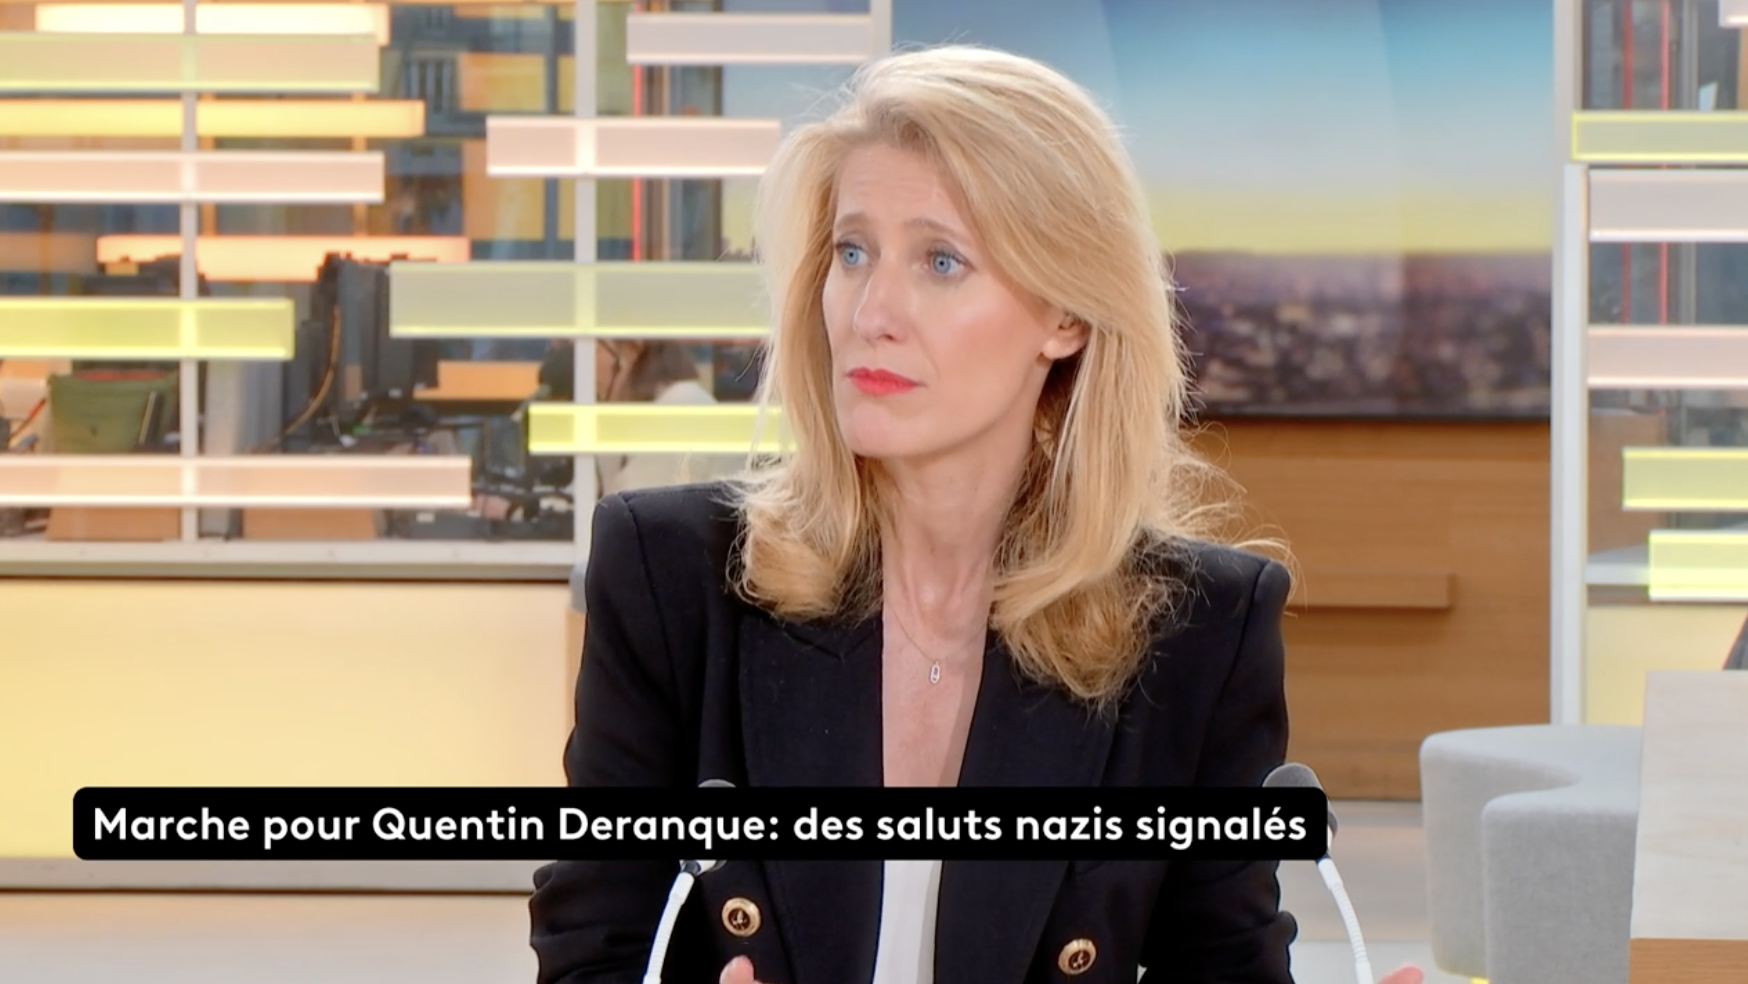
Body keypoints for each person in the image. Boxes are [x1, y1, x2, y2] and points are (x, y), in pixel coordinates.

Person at [529, 44, 1424, 984]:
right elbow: (593, 953)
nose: (872, 311)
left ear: (1065, 317)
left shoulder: (1200, 629)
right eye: (852, 252)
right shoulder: (669, 581)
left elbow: (1224, 970)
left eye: (941, 261)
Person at [593, 338, 747, 496]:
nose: (588, 367)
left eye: (596, 350)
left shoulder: (683, 407)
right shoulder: (638, 419)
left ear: (632, 350)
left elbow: (643, 503)